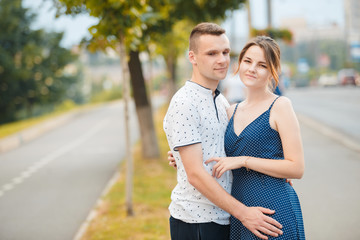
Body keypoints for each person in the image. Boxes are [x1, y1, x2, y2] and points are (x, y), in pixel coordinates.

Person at [163, 22, 283, 240]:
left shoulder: (220, 101)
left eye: (225, 52)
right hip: (197, 221)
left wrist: (273, 170)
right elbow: (196, 175)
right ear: (193, 57)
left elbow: (223, 150)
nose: (222, 59)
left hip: (224, 216)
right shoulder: (185, 102)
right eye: (211, 53)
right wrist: (244, 214)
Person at [205, 36, 305, 239]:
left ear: (272, 71)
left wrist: (244, 161)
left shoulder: (280, 106)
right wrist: (179, 156)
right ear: (239, 63)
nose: (252, 69)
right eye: (248, 61)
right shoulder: (230, 111)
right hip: (241, 209)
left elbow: (297, 168)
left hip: (274, 210)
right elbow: (212, 149)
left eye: (262, 65)